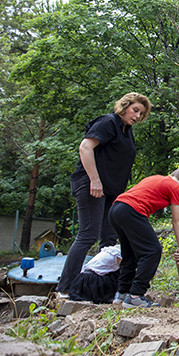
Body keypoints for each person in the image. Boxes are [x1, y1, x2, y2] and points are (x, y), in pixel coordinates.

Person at [57, 92, 152, 298]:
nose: (137, 116)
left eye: (141, 113)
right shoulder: (108, 122)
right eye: (135, 110)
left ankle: (102, 289)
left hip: (112, 191)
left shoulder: (127, 131)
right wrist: (95, 179)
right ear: (124, 106)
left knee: (109, 239)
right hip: (91, 184)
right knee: (88, 234)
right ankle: (66, 287)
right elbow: (85, 147)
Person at [109, 167, 179, 308]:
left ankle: (122, 294)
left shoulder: (156, 178)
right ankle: (135, 296)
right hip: (131, 210)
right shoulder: (174, 187)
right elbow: (177, 221)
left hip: (116, 209)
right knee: (152, 251)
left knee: (129, 253)